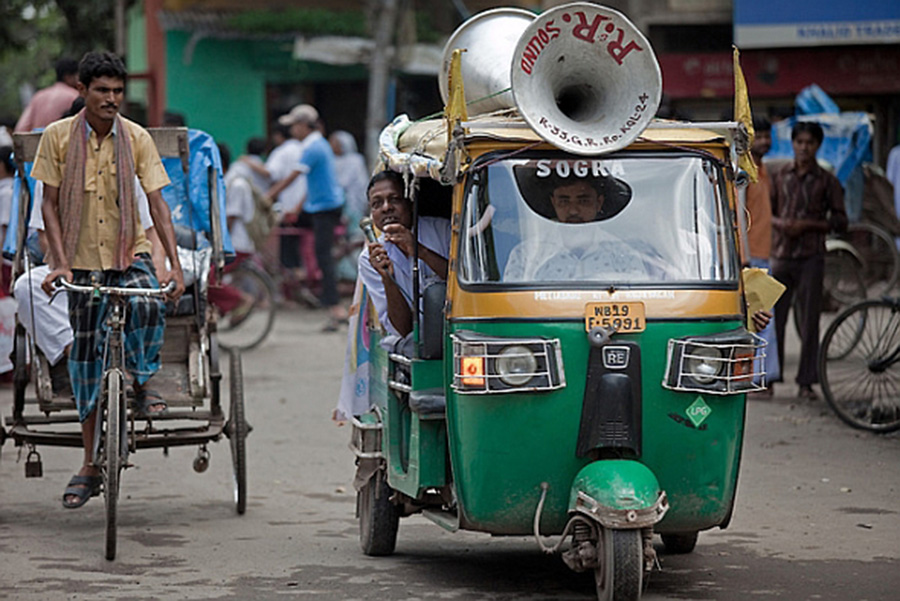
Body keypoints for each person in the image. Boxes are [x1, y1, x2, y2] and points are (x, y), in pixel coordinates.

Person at [30, 51, 185, 509]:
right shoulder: (57, 137)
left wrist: (172, 264)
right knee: (83, 361)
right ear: (82, 91)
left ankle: (140, 379)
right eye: (103, 91)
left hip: (127, 253)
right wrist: (58, 262)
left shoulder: (136, 137)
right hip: (78, 261)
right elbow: (48, 206)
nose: (112, 99)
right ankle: (90, 463)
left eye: (118, 92)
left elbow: (158, 205)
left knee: (149, 301)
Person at [770, 121, 848, 401]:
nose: (804, 148)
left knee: (809, 322)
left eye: (809, 143)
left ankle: (806, 382)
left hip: (811, 258)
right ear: (793, 144)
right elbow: (768, 213)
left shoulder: (827, 181)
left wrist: (807, 225)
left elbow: (840, 222)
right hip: (780, 257)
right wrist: (784, 224)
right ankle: (770, 378)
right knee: (772, 321)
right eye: (799, 142)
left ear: (817, 145)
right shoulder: (779, 177)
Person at [268, 104, 346, 331]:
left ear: (303, 125)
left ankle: (335, 308)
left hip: (325, 208)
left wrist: (267, 197)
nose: (292, 131)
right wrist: (297, 207)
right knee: (316, 251)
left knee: (324, 257)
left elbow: (292, 178)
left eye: (294, 126)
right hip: (320, 206)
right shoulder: (318, 144)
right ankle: (304, 281)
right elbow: (309, 185)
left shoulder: (313, 148)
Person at [358, 170, 451, 341]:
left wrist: (420, 251)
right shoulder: (369, 259)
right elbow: (403, 329)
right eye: (377, 204)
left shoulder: (443, 230)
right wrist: (387, 277)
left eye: (394, 199)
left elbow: (460, 283)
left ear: (410, 202)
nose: (386, 208)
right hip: (413, 341)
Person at [744, 117, 781, 394]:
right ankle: (761, 379)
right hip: (751, 255)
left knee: (762, 319)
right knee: (761, 319)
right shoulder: (744, 170)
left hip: (763, 253)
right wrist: (743, 257)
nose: (765, 142)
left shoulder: (763, 169)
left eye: (769, 136)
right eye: (761, 136)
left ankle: (763, 378)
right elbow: (739, 216)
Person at [14, 58, 80, 133]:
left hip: (37, 142)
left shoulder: (38, 96)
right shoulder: (75, 96)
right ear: (68, 77)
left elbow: (21, 128)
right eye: (78, 76)